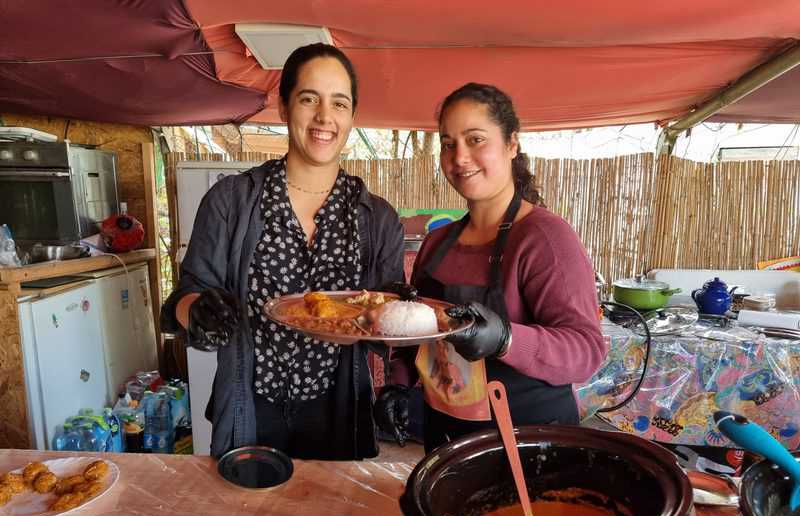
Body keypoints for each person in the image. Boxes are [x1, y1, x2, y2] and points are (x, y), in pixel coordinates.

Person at [161, 43, 405, 460]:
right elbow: (187, 295)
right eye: (309, 99)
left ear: (351, 116)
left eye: (339, 103)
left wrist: (395, 317)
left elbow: (387, 316)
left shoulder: (377, 219)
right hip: (250, 404)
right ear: (283, 106)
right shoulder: (230, 201)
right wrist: (198, 309)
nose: (324, 117)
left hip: (336, 407)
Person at [374, 83, 606, 452]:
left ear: (511, 144)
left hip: (530, 441)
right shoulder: (438, 242)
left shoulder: (544, 237)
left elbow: (586, 351)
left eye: (476, 139)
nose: (460, 157)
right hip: (445, 435)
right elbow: (418, 335)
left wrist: (506, 339)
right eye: (448, 144)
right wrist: (399, 385)